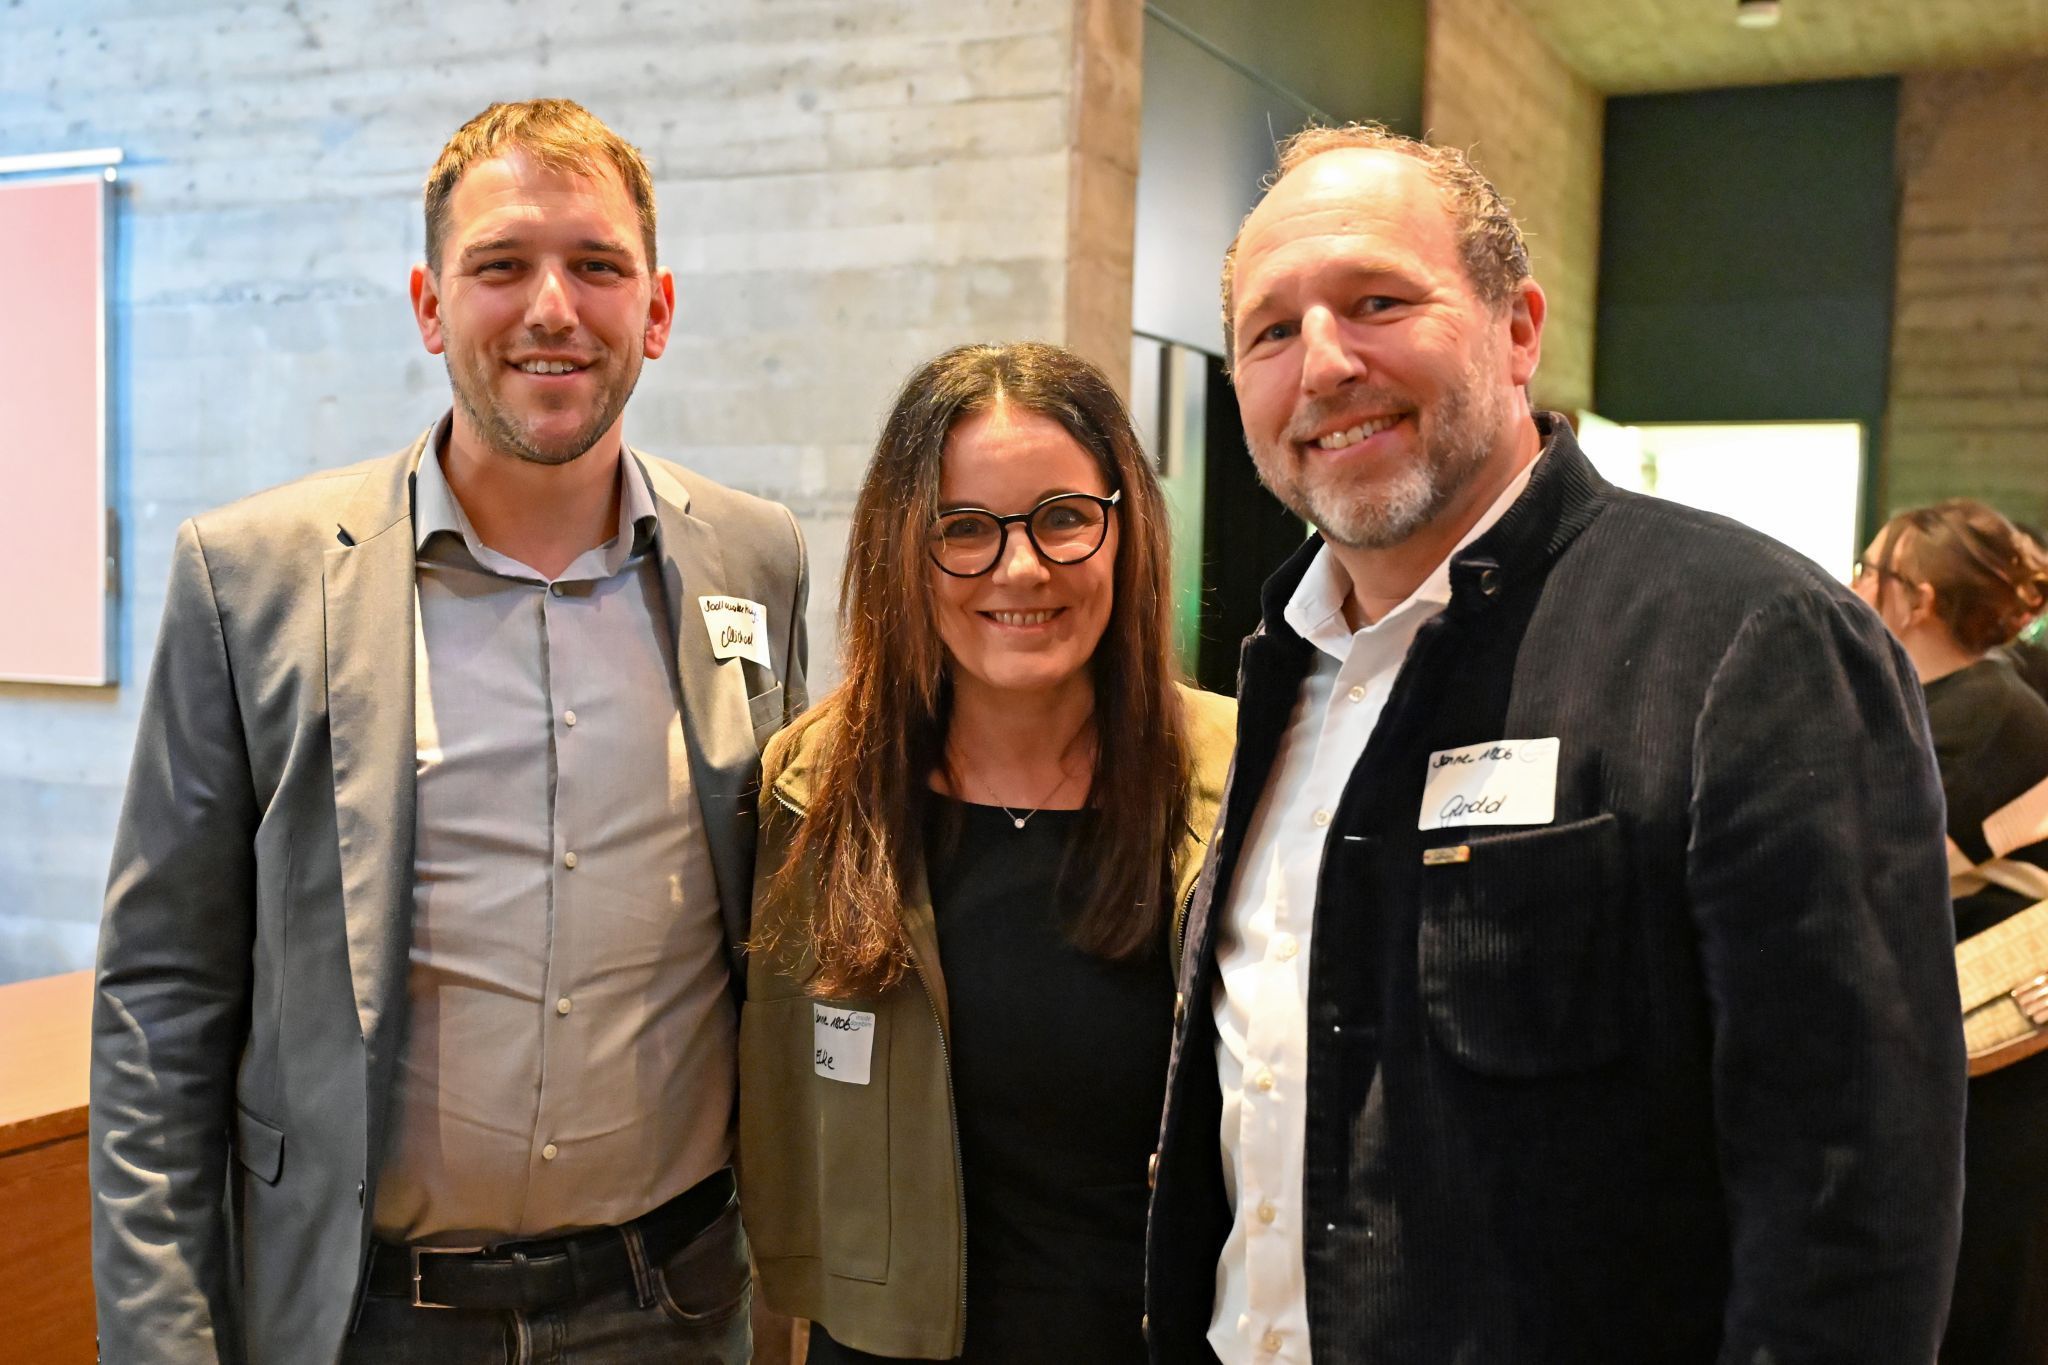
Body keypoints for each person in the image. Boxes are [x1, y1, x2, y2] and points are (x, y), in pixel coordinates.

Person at [1143, 123, 1966, 1363]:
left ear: (1515, 328)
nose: (1320, 365)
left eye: (1375, 301)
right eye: (1270, 331)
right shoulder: (1281, 670)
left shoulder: (1750, 638)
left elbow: (1849, 1198)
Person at [89, 99, 808, 1365]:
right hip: (367, 1320)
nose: (551, 308)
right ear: (429, 305)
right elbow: (160, 1001)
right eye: (500, 266)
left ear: (658, 308)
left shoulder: (756, 559)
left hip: (676, 1310)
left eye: (596, 265)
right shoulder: (248, 580)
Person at [737, 341, 1234, 1363]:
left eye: (1062, 518)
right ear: (900, 551)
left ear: (1123, 525)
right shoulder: (813, 787)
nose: (1020, 568)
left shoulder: (1239, 778)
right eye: (963, 529)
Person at [1853, 499, 2048, 1365]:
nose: (1851, 582)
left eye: (1867, 566)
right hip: (1953, 1025)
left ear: (1916, 599)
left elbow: (1872, 854)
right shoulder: (1931, 698)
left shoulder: (1986, 705)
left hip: (2000, 1037)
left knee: (1980, 1285)